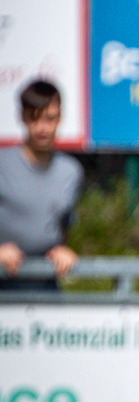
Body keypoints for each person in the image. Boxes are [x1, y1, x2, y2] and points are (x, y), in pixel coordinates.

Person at [0, 79, 83, 293]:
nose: (42, 127)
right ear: (22, 117)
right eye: (34, 118)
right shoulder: (2, 163)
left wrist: (61, 250)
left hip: (45, 291)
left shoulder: (71, 172)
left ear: (60, 117)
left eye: (50, 118)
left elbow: (62, 226)